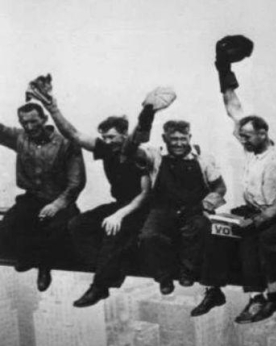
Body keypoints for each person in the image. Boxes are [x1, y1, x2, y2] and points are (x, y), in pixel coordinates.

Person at [30, 81, 169, 307]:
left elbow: (144, 194)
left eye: (112, 137)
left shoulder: (138, 155)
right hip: (121, 203)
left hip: (141, 208)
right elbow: (73, 134)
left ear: (123, 135)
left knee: (112, 232)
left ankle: (100, 286)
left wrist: (147, 111)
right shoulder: (106, 150)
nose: (107, 142)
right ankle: (112, 267)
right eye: (105, 138)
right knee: (78, 224)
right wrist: (52, 108)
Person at [206, 37, 276, 323]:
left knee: (252, 240)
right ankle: (225, 291)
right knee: (218, 230)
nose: (241, 140)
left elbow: (274, 208)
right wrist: (223, 68)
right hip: (256, 210)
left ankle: (263, 298)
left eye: (247, 136)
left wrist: (251, 223)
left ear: (263, 133)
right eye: (241, 136)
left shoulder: (274, 163)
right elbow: (233, 107)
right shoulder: (254, 147)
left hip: (273, 215)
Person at [138, 120, 227, 311]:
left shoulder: (203, 158)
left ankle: (188, 273)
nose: (178, 143)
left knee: (199, 228)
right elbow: (133, 151)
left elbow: (220, 186)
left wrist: (208, 204)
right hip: (162, 209)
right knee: (148, 236)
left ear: (189, 137)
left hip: (193, 209)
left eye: (182, 139)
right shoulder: (156, 156)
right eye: (173, 139)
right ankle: (164, 278)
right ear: (165, 138)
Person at [0, 101, 85, 292]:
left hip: (61, 200)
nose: (29, 127)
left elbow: (76, 183)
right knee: (8, 225)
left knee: (53, 230)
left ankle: (44, 267)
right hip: (32, 198)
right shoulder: (20, 138)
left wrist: (57, 204)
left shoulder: (66, 142)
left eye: (34, 122)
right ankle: (27, 255)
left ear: (44, 120)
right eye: (25, 123)